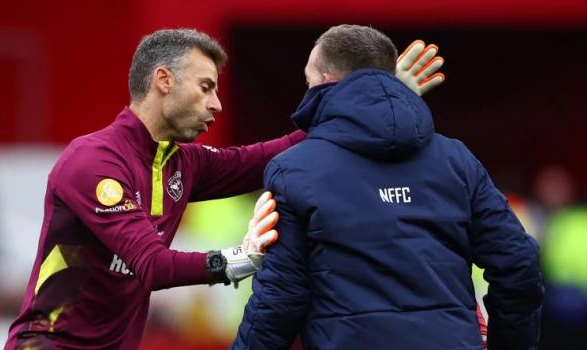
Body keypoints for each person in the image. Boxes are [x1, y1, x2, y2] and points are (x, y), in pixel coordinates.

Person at [5, 28, 444, 349]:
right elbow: (153, 266)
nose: (217, 103)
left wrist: (376, 97)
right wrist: (242, 258)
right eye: (206, 87)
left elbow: (274, 154)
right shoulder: (94, 161)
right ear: (164, 80)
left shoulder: (182, 163)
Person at [232, 25, 543, 350]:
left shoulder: (293, 169)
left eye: (307, 80)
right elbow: (517, 262)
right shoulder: (457, 160)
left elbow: (280, 298)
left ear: (324, 81)